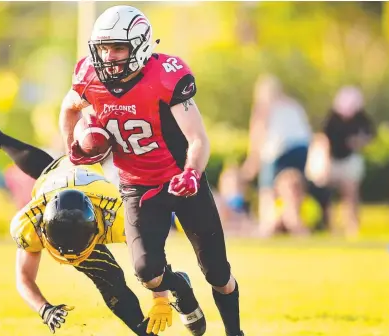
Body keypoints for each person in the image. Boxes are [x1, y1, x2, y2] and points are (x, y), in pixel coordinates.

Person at [59, 6, 243, 336]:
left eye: (118, 48)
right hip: (137, 187)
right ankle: (181, 289)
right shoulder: (90, 76)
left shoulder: (166, 75)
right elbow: (69, 107)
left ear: (140, 46)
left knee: (218, 274)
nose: (109, 56)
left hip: (181, 182)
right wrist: (70, 144)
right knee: (147, 273)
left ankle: (234, 333)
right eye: (104, 48)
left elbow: (197, 138)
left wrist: (191, 172)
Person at [0, 114, 173, 336]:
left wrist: (161, 300)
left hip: (86, 180)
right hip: (55, 180)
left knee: (112, 279)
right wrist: (44, 308)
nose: (72, 258)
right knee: (48, 168)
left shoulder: (115, 212)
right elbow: (24, 279)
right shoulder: (31, 221)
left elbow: (152, 254)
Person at [242, 74, 312, 237]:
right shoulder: (293, 105)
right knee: (293, 189)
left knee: (268, 188)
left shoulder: (264, 106)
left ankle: (267, 225)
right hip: (302, 149)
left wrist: (252, 162)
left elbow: (258, 134)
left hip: (278, 149)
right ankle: (295, 222)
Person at [320, 86, 374, 236]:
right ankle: (331, 226)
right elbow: (324, 138)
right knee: (329, 195)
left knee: (350, 194)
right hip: (332, 160)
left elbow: (369, 136)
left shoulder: (361, 119)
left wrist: (359, 142)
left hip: (350, 159)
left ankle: (352, 227)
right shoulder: (332, 119)